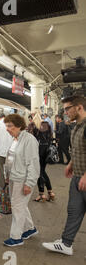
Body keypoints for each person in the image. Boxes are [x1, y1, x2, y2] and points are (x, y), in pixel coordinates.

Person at [42, 95, 86, 256]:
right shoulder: (77, 126)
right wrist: (71, 164)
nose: (65, 112)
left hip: (84, 178)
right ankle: (66, 243)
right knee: (74, 210)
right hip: (77, 177)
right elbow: (79, 150)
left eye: (68, 108)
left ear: (79, 107)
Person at [3, 114, 40, 247]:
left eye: (10, 126)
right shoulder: (15, 139)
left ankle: (16, 237)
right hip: (14, 177)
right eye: (6, 126)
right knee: (21, 205)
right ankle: (30, 229)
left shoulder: (29, 140)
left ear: (19, 126)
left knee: (17, 207)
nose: (7, 129)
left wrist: (29, 183)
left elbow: (33, 163)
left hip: (22, 179)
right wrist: (7, 175)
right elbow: (10, 159)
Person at [32, 121, 55, 202]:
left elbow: (33, 131)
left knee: (40, 173)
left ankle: (41, 194)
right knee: (43, 172)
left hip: (39, 155)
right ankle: (50, 192)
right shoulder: (49, 133)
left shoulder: (38, 133)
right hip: (46, 156)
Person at [0, 112, 14, 189]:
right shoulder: (12, 124)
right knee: (11, 169)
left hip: (0, 151)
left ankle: (2, 186)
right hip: (11, 151)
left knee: (0, 169)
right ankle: (11, 185)